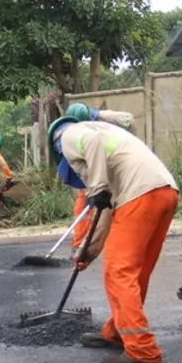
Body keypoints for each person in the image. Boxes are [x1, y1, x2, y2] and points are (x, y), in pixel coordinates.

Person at [48, 115, 179, 363]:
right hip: (164, 192)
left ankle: (142, 350)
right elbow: (104, 213)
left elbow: (92, 143)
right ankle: (119, 332)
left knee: (119, 273)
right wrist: (88, 252)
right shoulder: (109, 139)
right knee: (135, 273)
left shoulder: (69, 134)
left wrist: (96, 187)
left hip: (139, 195)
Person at [63, 103, 135, 259]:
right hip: (94, 176)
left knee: (107, 211)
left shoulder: (102, 129)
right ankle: (81, 244)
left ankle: (88, 246)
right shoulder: (84, 135)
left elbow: (128, 119)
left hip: (110, 176)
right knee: (86, 208)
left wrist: (100, 114)